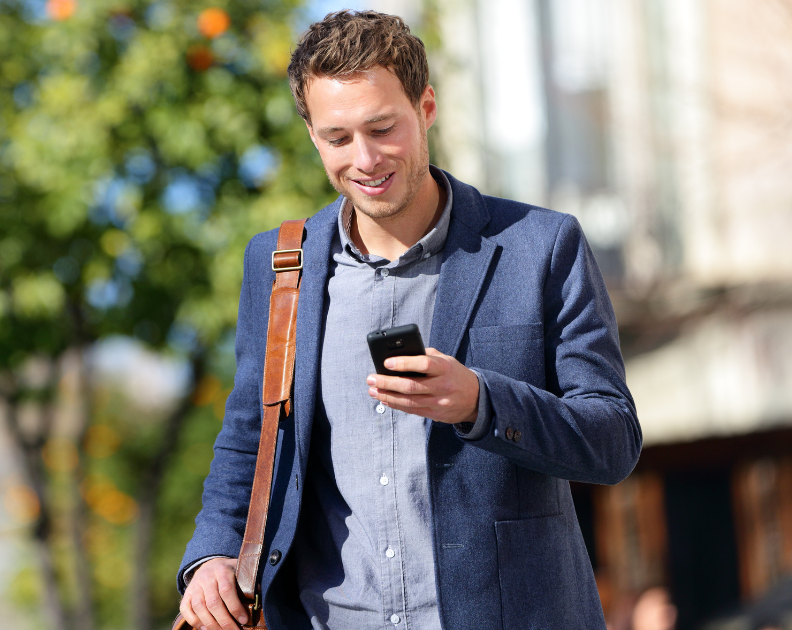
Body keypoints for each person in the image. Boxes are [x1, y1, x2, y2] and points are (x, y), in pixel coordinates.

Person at [176, 10, 641, 630]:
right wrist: (212, 554)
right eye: (337, 137)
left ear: (425, 107)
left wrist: (480, 401)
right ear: (312, 135)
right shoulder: (279, 264)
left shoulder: (542, 245)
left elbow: (612, 440)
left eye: (382, 128)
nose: (364, 159)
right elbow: (249, 438)